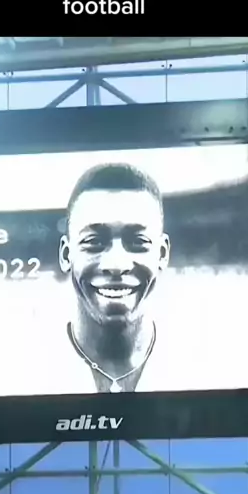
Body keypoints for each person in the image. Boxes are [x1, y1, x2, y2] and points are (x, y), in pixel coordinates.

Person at [57, 162, 171, 393]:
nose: (116, 265)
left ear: (162, 254)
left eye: (138, 242)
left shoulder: (207, 371)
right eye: (94, 242)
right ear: (66, 255)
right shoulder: (18, 379)